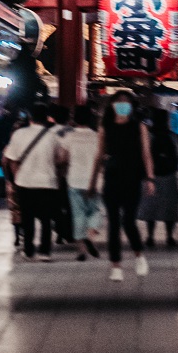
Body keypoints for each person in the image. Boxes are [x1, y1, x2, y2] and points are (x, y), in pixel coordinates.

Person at [88, 90, 155, 282]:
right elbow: (98, 156)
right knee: (114, 224)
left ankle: (139, 255)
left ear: (132, 106)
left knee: (128, 221)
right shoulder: (105, 128)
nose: (122, 105)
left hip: (133, 178)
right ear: (112, 105)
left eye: (126, 102)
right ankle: (115, 265)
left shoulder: (139, 127)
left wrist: (150, 178)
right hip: (112, 178)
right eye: (119, 102)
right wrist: (93, 181)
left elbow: (146, 154)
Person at [3, 102, 66, 261]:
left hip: (25, 182)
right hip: (47, 182)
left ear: (30, 116)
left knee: (27, 217)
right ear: (46, 118)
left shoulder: (19, 134)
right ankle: (45, 252)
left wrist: (17, 178)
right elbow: (61, 158)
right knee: (46, 219)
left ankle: (29, 250)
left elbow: (11, 159)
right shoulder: (53, 136)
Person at [59, 103, 103, 261]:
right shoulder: (97, 136)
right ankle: (90, 237)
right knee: (95, 211)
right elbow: (102, 159)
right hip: (94, 181)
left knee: (78, 215)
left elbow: (62, 159)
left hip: (75, 180)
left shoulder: (69, 136)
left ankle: (81, 251)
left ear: (74, 119)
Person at [138, 107, 178, 247]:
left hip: (151, 175)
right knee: (169, 207)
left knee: (151, 206)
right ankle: (170, 236)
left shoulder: (148, 135)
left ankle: (150, 236)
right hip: (169, 175)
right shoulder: (172, 135)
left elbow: (142, 154)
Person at [48, 103, 73, 245]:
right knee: (69, 205)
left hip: (53, 172)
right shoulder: (72, 132)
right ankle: (68, 233)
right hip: (69, 173)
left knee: (55, 205)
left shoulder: (48, 132)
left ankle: (58, 231)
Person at [4, 113, 29, 247]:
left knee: (15, 210)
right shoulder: (25, 146)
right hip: (23, 181)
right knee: (23, 209)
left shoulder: (8, 148)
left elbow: (4, 164)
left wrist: (8, 179)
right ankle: (22, 234)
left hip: (13, 181)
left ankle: (17, 236)